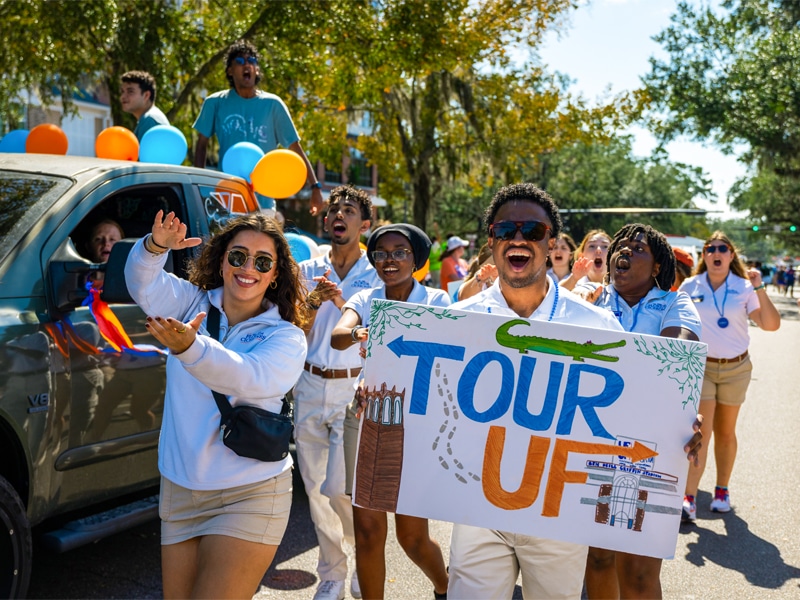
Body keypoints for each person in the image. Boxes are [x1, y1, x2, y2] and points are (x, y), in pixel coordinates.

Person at [446, 184, 626, 599]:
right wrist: (381, 394)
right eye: (506, 229)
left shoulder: (597, 328)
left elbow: (633, 409)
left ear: (550, 242)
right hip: (475, 512)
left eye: (533, 229)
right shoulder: (454, 322)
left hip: (558, 516)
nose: (519, 238)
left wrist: (677, 429)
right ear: (491, 241)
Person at [125, 210, 308, 599]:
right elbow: (143, 284)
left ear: (275, 274)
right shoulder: (192, 304)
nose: (248, 269)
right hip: (180, 486)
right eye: (238, 256)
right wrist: (155, 247)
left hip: (251, 491)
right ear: (222, 259)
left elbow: (248, 377)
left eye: (263, 262)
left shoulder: (286, 336)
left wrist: (191, 348)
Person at [579, 224, 703, 600]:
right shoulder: (588, 301)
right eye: (620, 247)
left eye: (637, 248)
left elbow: (674, 357)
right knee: (598, 557)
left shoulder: (674, 303)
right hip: (591, 438)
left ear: (656, 267)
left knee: (636, 570)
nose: (624, 253)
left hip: (650, 446)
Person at [331, 223, 451, 600]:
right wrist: (358, 334)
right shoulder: (366, 299)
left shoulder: (437, 302)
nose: (389, 260)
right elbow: (338, 335)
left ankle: (446, 587)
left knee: (412, 537)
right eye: (381, 253)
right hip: (367, 416)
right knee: (367, 532)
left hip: (418, 422)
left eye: (400, 252)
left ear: (415, 259)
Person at [293, 185, 379, 600]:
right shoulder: (305, 268)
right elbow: (292, 331)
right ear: (325, 221)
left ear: (366, 224)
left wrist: (345, 304)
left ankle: (367, 564)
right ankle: (331, 575)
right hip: (309, 384)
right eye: (333, 211)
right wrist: (312, 302)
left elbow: (380, 334)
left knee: (344, 490)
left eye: (349, 210)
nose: (338, 215)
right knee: (313, 488)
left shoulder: (379, 273)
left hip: (354, 387)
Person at [680, 231, 780, 523]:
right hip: (703, 368)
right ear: (704, 255)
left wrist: (760, 287)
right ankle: (689, 496)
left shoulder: (744, 287)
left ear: (731, 255)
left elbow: (770, 325)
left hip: (736, 368)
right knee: (701, 432)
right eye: (710, 249)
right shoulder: (690, 285)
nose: (716, 253)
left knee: (726, 432)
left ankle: (722, 490)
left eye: (722, 249)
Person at [192, 39, 323, 216]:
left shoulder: (273, 104)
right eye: (239, 61)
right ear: (230, 70)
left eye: (251, 61)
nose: (247, 65)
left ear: (257, 69)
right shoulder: (215, 103)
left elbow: (294, 147)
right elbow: (201, 145)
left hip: (264, 200)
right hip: (226, 199)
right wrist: (198, 186)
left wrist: (315, 186)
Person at [120, 71, 170, 141]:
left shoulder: (149, 120)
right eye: (122, 92)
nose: (123, 96)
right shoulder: (148, 119)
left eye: (130, 91)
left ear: (146, 95)